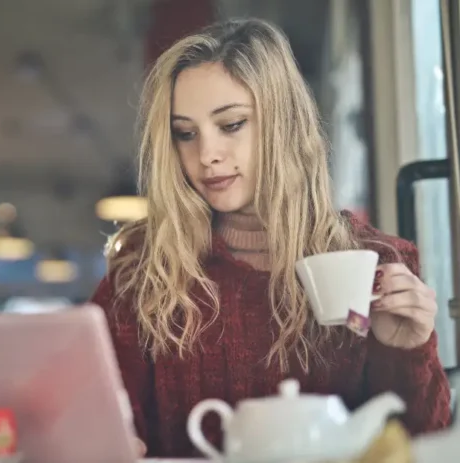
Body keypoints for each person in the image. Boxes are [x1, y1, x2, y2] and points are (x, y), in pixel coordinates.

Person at [90, 18, 452, 458]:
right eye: (185, 134)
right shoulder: (141, 271)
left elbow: (418, 448)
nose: (207, 155)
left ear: (284, 123)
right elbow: (102, 420)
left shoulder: (376, 261)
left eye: (231, 124)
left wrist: (407, 350)